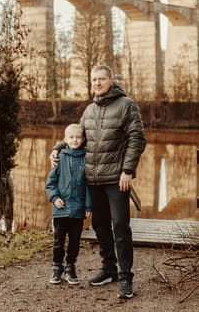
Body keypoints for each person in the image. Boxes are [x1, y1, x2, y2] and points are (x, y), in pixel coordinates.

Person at [51, 65, 146, 298]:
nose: (97, 83)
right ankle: (109, 269)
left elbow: (137, 139)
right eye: (94, 79)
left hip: (116, 179)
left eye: (101, 79)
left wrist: (128, 170)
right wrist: (56, 149)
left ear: (111, 80)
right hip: (92, 180)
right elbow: (76, 137)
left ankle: (126, 278)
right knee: (100, 225)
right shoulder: (89, 110)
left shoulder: (126, 105)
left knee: (121, 227)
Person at [45, 123, 92, 285]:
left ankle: (70, 267)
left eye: (78, 137)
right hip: (61, 210)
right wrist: (54, 197)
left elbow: (88, 186)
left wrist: (88, 206)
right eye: (71, 137)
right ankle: (57, 268)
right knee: (58, 241)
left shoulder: (86, 159)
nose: (74, 140)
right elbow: (50, 183)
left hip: (78, 210)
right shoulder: (60, 158)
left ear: (83, 139)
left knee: (74, 241)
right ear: (65, 139)